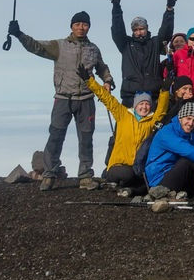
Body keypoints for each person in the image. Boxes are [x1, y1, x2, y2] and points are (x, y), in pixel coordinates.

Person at [8, 11, 115, 192]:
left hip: (86, 99)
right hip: (63, 97)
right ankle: (49, 175)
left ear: (89, 27)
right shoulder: (59, 46)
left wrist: (108, 80)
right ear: (71, 26)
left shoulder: (93, 49)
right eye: (77, 24)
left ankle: (86, 177)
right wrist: (19, 34)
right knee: (56, 137)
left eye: (85, 24)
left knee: (86, 138)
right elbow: (36, 46)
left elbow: (101, 67)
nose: (81, 27)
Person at [81, 66, 170, 194]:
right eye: (141, 104)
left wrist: (165, 91)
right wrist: (89, 81)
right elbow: (107, 98)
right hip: (119, 165)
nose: (144, 107)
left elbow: (161, 110)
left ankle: (125, 189)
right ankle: (111, 179)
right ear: (135, 105)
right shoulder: (123, 114)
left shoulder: (151, 121)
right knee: (128, 175)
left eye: (147, 104)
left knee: (142, 177)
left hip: (138, 166)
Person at [110, 0, 176, 106]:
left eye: (141, 29)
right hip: (130, 95)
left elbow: (166, 31)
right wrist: (116, 10)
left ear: (147, 28)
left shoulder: (155, 43)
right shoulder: (125, 44)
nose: (139, 32)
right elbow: (117, 30)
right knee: (124, 125)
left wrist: (169, 10)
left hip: (153, 95)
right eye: (136, 30)